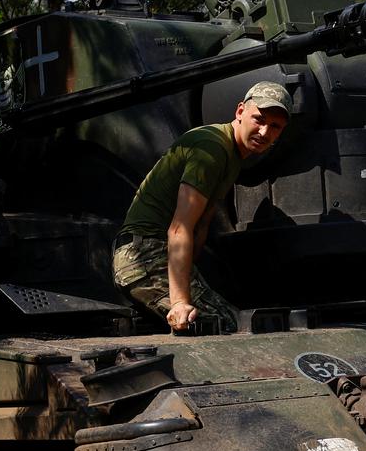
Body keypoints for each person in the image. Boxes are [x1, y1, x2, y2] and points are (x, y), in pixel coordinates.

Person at [111, 81, 292, 333]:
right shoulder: (212, 148)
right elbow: (180, 227)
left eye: (275, 127)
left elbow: (201, 226)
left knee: (233, 320)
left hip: (155, 253)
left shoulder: (231, 155)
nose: (264, 132)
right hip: (144, 255)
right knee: (229, 326)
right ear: (240, 112)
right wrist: (180, 302)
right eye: (258, 119)